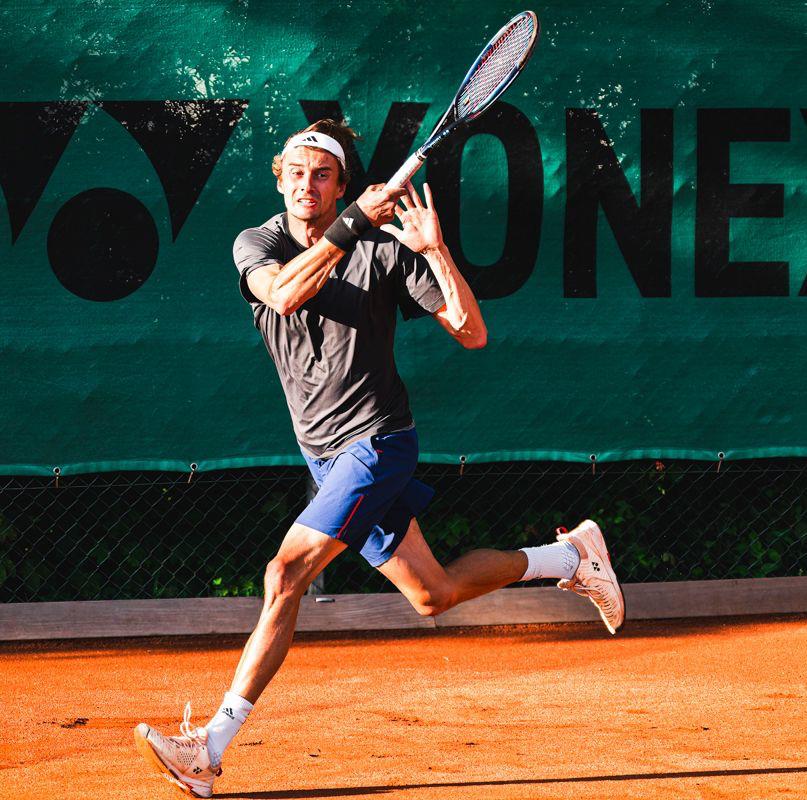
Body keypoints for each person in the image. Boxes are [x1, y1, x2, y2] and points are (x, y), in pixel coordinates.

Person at [134, 119, 625, 798]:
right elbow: (282, 293)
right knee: (433, 594)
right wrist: (352, 225)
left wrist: (437, 251)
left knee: (284, 574)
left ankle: (207, 748)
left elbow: (471, 332)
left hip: (376, 442)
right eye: (297, 172)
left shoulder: (385, 254)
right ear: (279, 176)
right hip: (323, 454)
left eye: (323, 175)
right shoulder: (260, 242)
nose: (308, 185)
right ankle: (571, 558)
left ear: (341, 184)